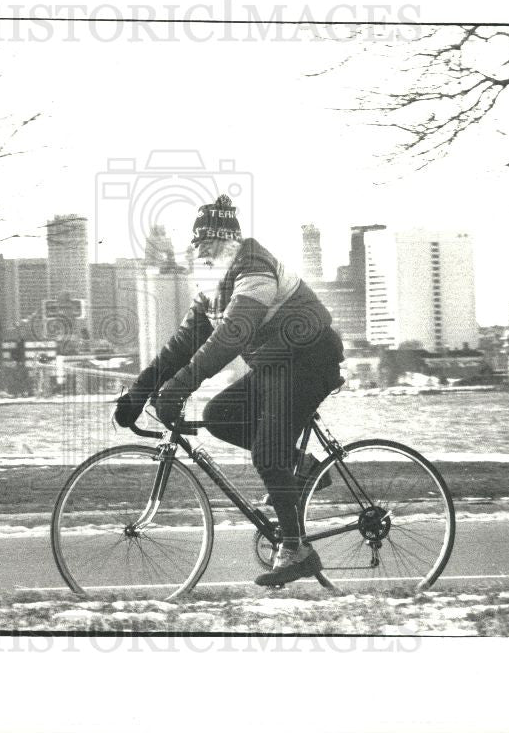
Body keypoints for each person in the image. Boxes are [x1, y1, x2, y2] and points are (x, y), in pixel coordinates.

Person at [114, 194, 344, 586]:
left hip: (309, 360)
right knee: (218, 416)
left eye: (204, 242)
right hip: (276, 364)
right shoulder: (212, 288)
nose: (197, 250)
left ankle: (296, 549)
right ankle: (302, 468)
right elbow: (183, 343)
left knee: (268, 454)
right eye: (196, 243)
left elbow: (231, 336)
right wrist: (139, 394)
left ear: (226, 241)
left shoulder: (254, 269)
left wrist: (180, 386)